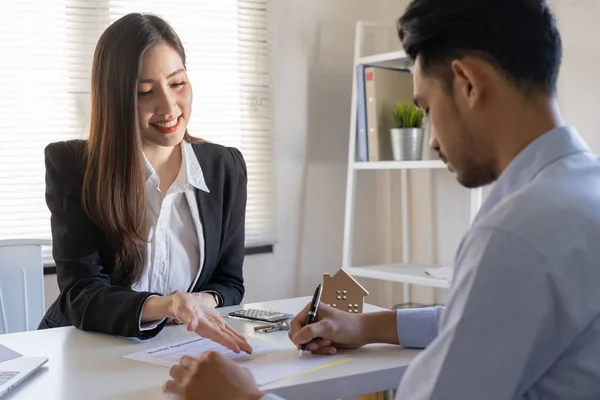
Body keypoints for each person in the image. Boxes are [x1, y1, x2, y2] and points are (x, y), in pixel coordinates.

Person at [162, 0, 600, 398]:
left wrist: (243, 398)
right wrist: (367, 325)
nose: (430, 140)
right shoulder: (580, 190)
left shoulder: (517, 234)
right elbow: (494, 321)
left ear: (468, 83)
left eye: (426, 108)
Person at [39, 12, 252, 354]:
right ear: (115, 100)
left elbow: (229, 283)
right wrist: (169, 306)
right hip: (85, 351)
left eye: (177, 84)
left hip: (174, 349)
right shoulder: (74, 167)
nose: (169, 106)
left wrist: (198, 303)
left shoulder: (225, 167)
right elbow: (81, 295)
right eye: (144, 92)